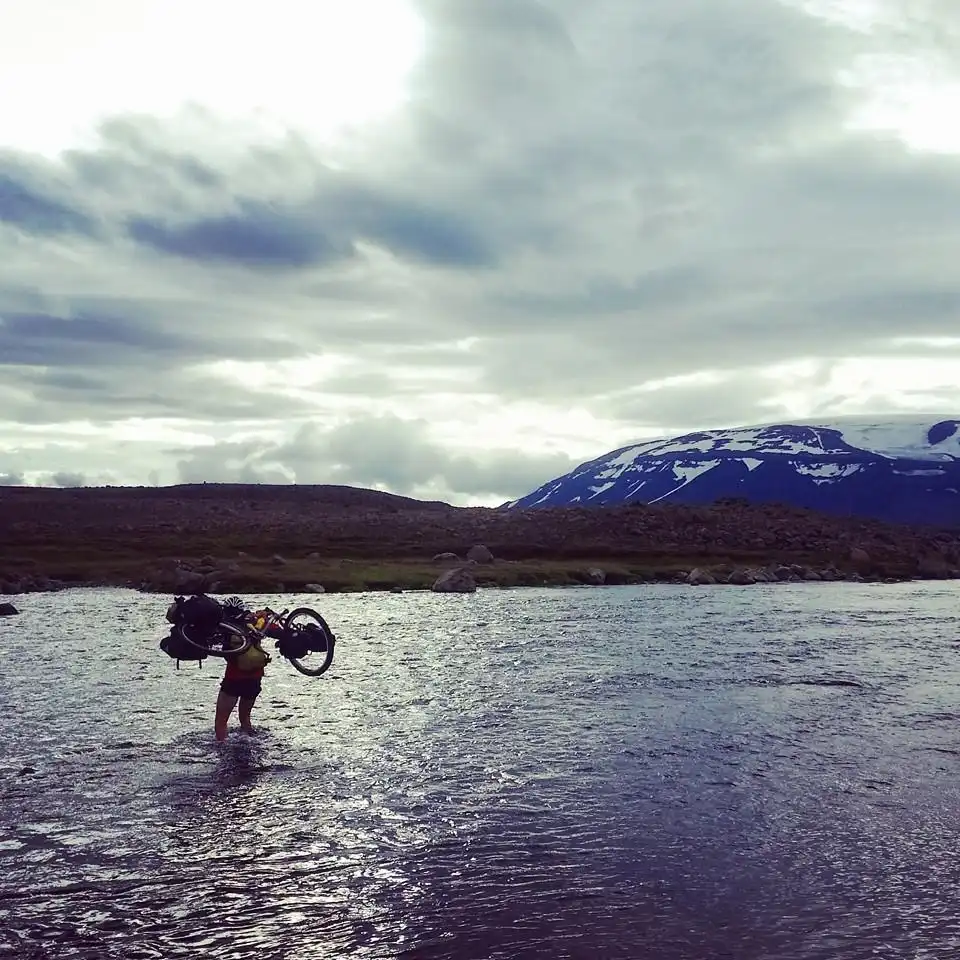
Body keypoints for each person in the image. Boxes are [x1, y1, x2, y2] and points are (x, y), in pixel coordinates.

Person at [215, 625, 272, 741]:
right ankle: (249, 740)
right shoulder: (255, 624)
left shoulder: (227, 627)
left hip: (233, 679)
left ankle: (221, 747)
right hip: (254, 679)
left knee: (221, 720)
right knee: (245, 718)